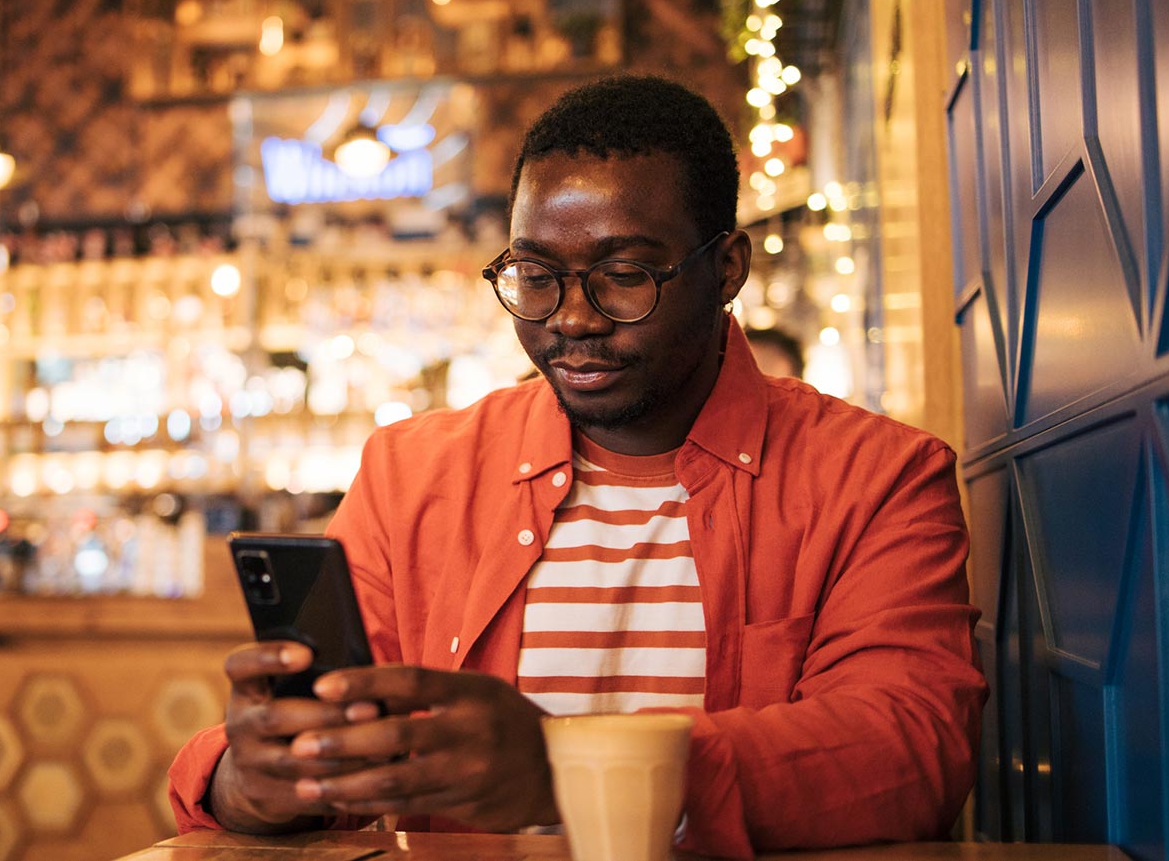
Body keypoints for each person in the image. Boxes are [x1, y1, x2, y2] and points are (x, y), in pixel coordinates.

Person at [169, 75, 985, 857]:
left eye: (624, 275)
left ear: (727, 269)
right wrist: (256, 781)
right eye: (536, 276)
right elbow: (321, 751)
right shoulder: (410, 476)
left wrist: (561, 773)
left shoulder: (878, 475)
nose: (572, 318)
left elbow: (912, 748)